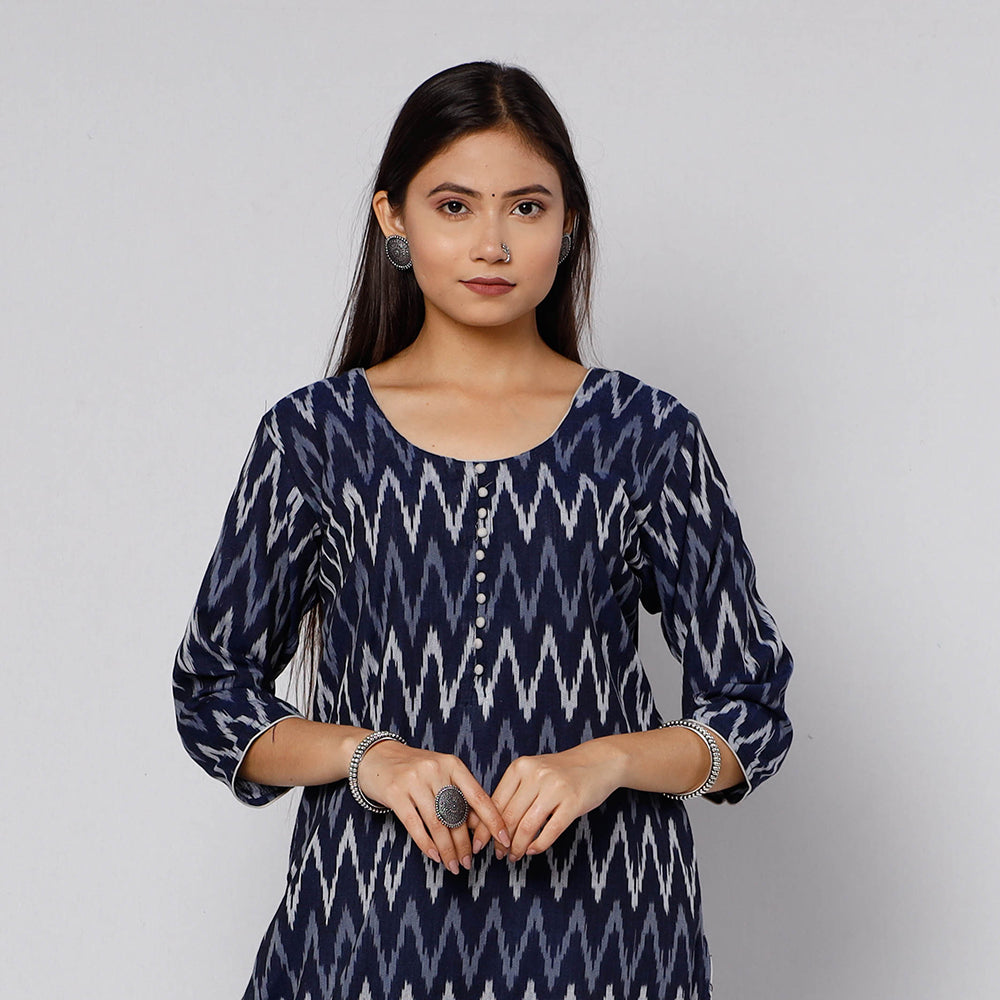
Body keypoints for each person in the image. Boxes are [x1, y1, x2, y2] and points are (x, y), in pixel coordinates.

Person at [172, 60, 793, 1000]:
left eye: (527, 208)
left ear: (569, 224)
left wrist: (609, 760)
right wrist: (368, 758)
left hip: (606, 936)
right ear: (393, 218)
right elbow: (212, 693)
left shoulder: (645, 436)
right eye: (455, 206)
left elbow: (752, 709)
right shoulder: (313, 439)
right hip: (369, 930)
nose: (493, 243)